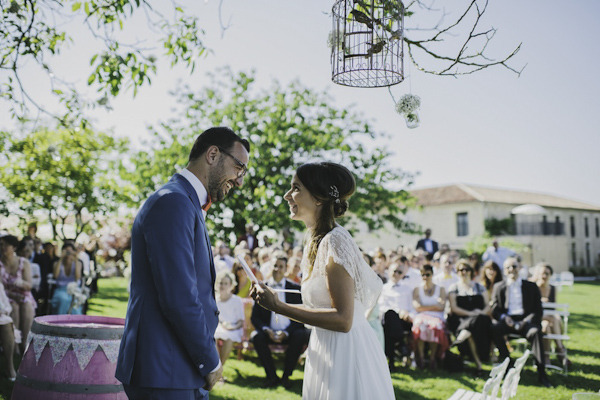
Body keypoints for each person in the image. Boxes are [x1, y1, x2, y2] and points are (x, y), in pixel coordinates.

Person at [115, 127, 250, 399]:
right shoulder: (173, 202)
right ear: (213, 154)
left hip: (178, 364)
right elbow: (179, 297)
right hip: (164, 367)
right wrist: (209, 360)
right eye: (239, 167)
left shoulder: (185, 202)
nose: (239, 181)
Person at [251, 162, 394, 399]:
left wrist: (279, 307)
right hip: (324, 346)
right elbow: (319, 310)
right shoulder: (315, 240)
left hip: (346, 351)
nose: (287, 196)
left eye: (295, 188)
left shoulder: (335, 241)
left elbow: (343, 319)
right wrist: (274, 302)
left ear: (318, 198)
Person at [490, 258, 552, 388]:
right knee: (494, 328)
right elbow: (495, 310)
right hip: (508, 320)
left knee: (535, 333)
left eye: (514, 266)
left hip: (526, 320)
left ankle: (542, 373)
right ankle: (508, 362)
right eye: (508, 267)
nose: (511, 269)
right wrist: (503, 317)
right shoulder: (498, 287)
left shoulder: (531, 286)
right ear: (505, 271)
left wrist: (526, 321)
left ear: (519, 268)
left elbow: (538, 310)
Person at [250, 255, 309, 389]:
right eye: (275, 265)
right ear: (271, 267)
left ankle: (286, 376)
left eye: (281, 266)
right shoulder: (262, 287)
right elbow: (255, 317)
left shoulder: (294, 288)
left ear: (286, 268)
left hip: (290, 334)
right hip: (268, 333)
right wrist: (267, 330)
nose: (277, 269)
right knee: (255, 336)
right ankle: (271, 376)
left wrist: (286, 332)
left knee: (300, 334)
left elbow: (300, 317)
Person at [447, 259, 492, 376]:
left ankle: (462, 337)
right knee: (470, 331)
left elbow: (488, 305)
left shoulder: (479, 287)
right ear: (457, 272)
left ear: (471, 271)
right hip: (460, 319)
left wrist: (480, 313)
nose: (464, 272)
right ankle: (479, 366)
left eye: (466, 269)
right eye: (461, 270)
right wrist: (470, 314)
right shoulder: (454, 287)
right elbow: (454, 308)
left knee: (475, 324)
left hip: (480, 319)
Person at [0, 234, 36, 354]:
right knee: (13, 307)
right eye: (1, 245)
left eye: (6, 245)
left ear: (14, 247)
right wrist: (13, 295)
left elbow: (29, 286)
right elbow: (1, 289)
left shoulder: (23, 262)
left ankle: (25, 343)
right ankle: (14, 344)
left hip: (24, 295)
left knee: (26, 306)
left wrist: (21, 283)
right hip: (6, 297)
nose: (2, 247)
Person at [379, 262, 415, 371]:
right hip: (388, 318)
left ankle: (392, 360)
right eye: (395, 271)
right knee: (390, 315)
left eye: (400, 272)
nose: (397, 274)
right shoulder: (383, 288)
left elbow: (412, 307)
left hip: (404, 320)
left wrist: (408, 314)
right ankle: (401, 344)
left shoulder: (407, 289)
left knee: (391, 326)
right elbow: (381, 306)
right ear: (389, 272)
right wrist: (398, 311)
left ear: (403, 274)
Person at [412, 264, 449, 370]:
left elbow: (441, 307)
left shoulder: (440, 289)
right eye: (423, 275)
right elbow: (417, 307)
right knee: (419, 325)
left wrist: (425, 307)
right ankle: (421, 358)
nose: (425, 277)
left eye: (427, 274)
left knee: (435, 327)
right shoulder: (417, 289)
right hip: (421, 316)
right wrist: (434, 306)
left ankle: (433, 358)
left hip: (437, 317)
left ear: (432, 275)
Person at [534, 263, 571, 367]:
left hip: (549, 317)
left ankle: (548, 355)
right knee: (551, 322)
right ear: (538, 274)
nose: (544, 276)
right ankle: (560, 351)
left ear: (550, 275)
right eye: (542, 273)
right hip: (538, 317)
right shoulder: (533, 287)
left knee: (550, 323)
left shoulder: (552, 288)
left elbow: (553, 307)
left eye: (547, 273)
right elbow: (531, 309)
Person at [214, 270, 244, 373]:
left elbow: (241, 321)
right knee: (214, 338)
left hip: (234, 328)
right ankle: (216, 369)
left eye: (226, 283)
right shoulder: (214, 299)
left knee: (229, 338)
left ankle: (219, 370)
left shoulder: (236, 300)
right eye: (220, 283)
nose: (222, 285)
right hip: (218, 327)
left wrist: (233, 327)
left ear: (231, 285)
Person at [50, 242, 83, 315]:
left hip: (74, 289)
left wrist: (76, 258)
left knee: (74, 300)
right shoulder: (57, 263)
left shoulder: (78, 263)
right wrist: (61, 258)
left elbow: (77, 277)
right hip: (60, 289)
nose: (68, 254)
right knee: (63, 299)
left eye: (70, 251)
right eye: (66, 251)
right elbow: (55, 275)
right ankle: (60, 320)